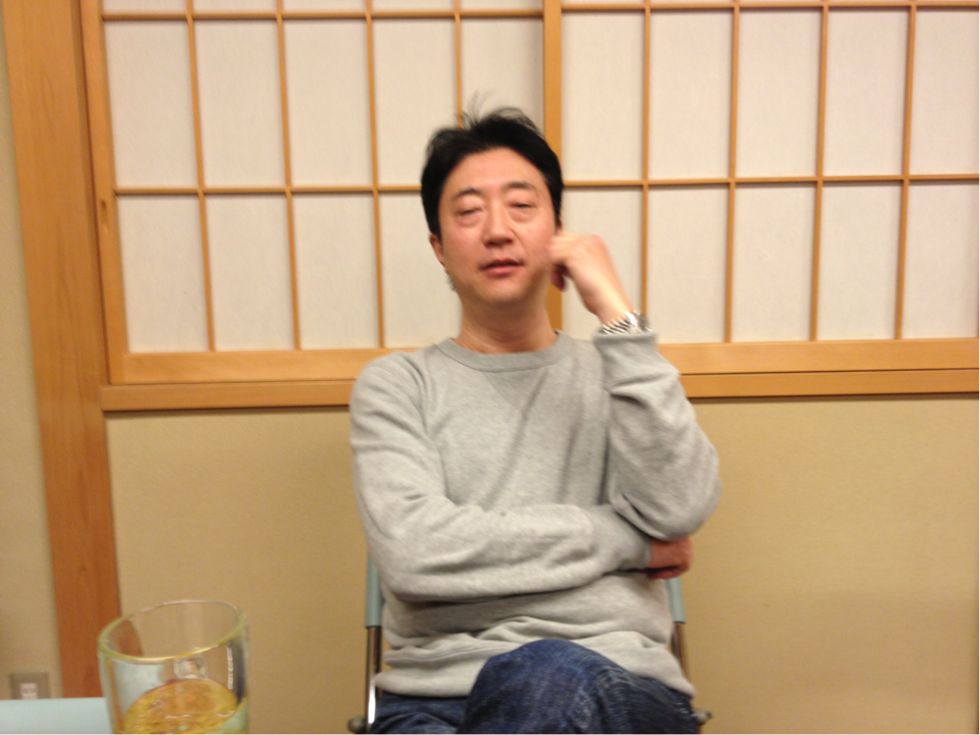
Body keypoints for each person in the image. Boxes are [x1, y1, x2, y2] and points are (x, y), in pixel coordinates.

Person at [350, 109, 720, 734]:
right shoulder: (397, 386)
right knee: (532, 682)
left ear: (558, 233)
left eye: (521, 206)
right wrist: (629, 542)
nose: (498, 230)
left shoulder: (620, 375)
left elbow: (681, 507)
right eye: (469, 212)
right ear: (439, 248)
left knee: (545, 673)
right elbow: (416, 554)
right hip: (432, 699)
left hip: (617, 685)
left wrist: (618, 317)